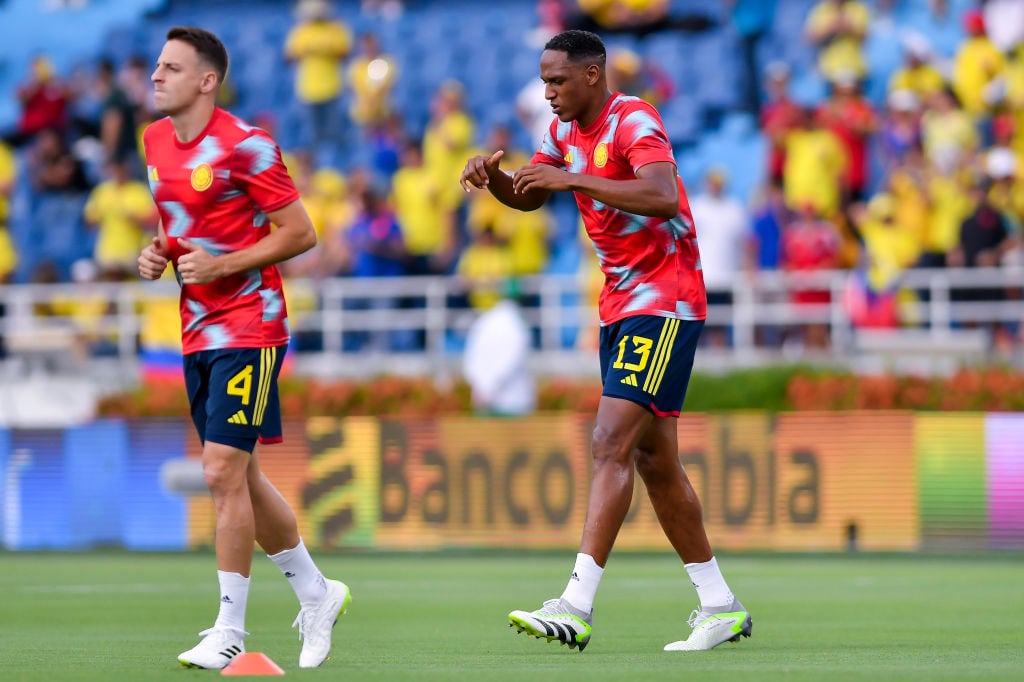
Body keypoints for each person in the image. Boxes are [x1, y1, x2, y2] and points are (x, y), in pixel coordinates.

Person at [459, 29, 750, 653]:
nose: (548, 92)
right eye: (544, 81)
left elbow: (662, 193)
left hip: (665, 296)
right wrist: (497, 180)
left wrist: (576, 183)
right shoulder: (562, 132)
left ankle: (575, 603)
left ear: (592, 75)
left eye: (557, 80)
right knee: (654, 460)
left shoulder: (632, 119)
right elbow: (534, 195)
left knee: (608, 440)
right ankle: (720, 605)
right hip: (620, 303)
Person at [136, 26, 350, 670]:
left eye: (171, 68)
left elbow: (301, 233)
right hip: (196, 327)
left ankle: (230, 627)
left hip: (251, 325)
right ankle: (316, 591)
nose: (155, 76)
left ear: (207, 80)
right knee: (243, 477)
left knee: (221, 471)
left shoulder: (247, 146)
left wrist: (224, 264)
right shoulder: (152, 143)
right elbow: (180, 228)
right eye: (157, 66)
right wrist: (158, 252)